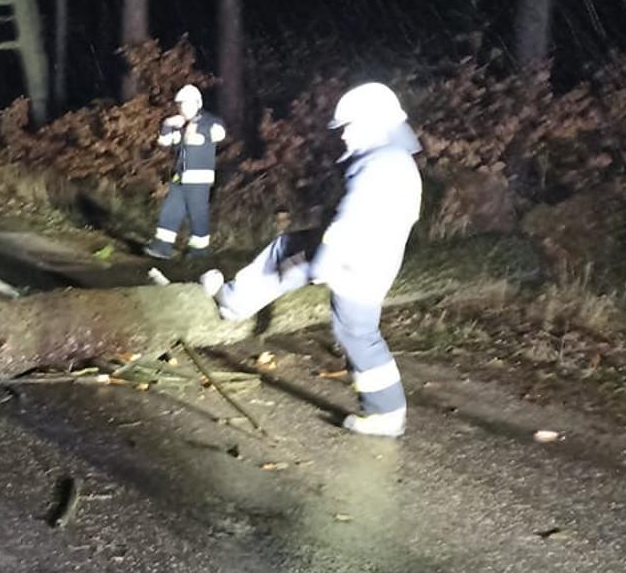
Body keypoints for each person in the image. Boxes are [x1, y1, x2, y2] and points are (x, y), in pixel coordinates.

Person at [199, 82, 423, 437]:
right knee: (296, 257)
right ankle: (387, 411)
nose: (344, 135)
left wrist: (326, 262)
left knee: (354, 329)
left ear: (375, 123)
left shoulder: (379, 166)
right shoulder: (397, 162)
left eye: (350, 126)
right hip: (374, 261)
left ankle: (385, 413)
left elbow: (351, 220)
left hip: (354, 261)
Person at [145, 84, 228, 260]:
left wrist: (200, 132)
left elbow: (220, 133)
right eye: (181, 105)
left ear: (197, 104)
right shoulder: (179, 124)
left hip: (199, 179)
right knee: (171, 210)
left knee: (197, 213)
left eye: (188, 104)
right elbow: (165, 143)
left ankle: (199, 251)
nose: (184, 108)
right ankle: (162, 247)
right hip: (180, 177)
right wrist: (167, 125)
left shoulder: (209, 120)